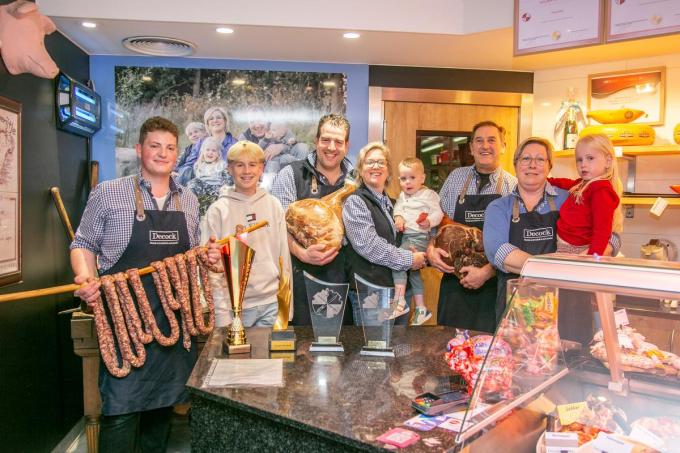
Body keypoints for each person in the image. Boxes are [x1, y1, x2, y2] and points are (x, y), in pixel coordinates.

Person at [70, 117, 220, 453]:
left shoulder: (189, 199)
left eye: (170, 148)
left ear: (177, 154)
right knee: (120, 414)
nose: (162, 154)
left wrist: (207, 257)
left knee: (162, 412)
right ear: (139, 149)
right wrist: (87, 279)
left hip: (172, 323)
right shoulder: (109, 193)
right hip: (125, 324)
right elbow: (83, 244)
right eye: (155, 146)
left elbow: (190, 256)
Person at [484, 137, 620, 336]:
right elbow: (498, 252)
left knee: (573, 352)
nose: (532, 165)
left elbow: (611, 233)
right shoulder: (499, 207)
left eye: (540, 159)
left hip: (570, 307)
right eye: (525, 158)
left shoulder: (571, 196)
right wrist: (557, 268)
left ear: (549, 167)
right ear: (515, 164)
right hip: (520, 308)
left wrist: (589, 258)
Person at [427, 121, 517, 332]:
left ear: (503, 146)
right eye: (479, 140)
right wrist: (431, 249)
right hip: (454, 285)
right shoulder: (456, 178)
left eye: (492, 140)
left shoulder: (512, 186)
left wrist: (486, 272)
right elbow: (438, 220)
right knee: (448, 342)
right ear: (471, 147)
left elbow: (515, 242)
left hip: (493, 287)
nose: (485, 146)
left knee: (486, 345)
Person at [271, 113, 354, 325]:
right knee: (304, 343)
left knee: (344, 342)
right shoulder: (291, 175)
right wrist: (302, 253)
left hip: (348, 283)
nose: (331, 147)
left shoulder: (357, 181)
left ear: (347, 145)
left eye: (338, 142)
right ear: (316, 140)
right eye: (326, 140)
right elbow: (277, 228)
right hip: (302, 280)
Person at [204, 141, 292, 327]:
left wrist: (286, 306)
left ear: (261, 168)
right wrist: (222, 316)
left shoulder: (274, 205)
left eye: (252, 164)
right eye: (239, 165)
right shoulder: (217, 211)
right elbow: (210, 267)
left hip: (272, 304)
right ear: (229, 169)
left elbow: (284, 257)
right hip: (234, 308)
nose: (246, 171)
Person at [343, 143, 427, 324]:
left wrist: (421, 252)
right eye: (370, 162)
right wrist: (410, 259)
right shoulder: (355, 202)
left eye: (381, 162)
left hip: (401, 293)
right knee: (376, 342)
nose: (376, 166)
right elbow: (370, 246)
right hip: (372, 295)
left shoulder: (397, 205)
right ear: (360, 169)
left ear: (388, 170)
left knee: (400, 342)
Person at [548, 133, 623, 255]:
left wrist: (590, 258)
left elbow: (602, 232)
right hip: (566, 247)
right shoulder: (583, 184)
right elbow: (565, 183)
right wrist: (546, 180)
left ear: (608, 162)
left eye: (590, 158)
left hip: (578, 250)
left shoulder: (601, 190)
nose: (583, 164)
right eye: (579, 160)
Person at [391, 157, 444, 325]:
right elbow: (398, 208)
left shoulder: (428, 195)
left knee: (398, 262)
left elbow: (438, 213)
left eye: (412, 177)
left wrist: (430, 221)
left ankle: (399, 302)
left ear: (422, 178)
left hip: (419, 237)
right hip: (407, 237)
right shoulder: (402, 195)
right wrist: (398, 217)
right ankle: (421, 309)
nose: (407, 182)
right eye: (403, 178)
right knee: (413, 272)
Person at [187, 136, 231, 217]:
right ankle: (192, 208)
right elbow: (197, 181)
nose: (210, 153)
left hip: (216, 190)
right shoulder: (198, 165)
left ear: (218, 154)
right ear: (203, 151)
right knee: (192, 183)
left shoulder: (221, 165)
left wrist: (224, 190)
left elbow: (226, 180)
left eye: (213, 150)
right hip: (203, 191)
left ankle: (213, 205)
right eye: (207, 150)